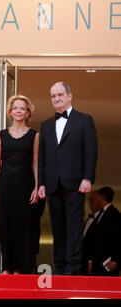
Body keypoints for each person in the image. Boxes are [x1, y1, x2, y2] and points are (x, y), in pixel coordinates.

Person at [38, 82, 98, 275]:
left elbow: (91, 151)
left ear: (70, 96)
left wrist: (87, 178)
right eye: (53, 96)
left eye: (60, 94)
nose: (56, 98)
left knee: (73, 226)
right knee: (57, 227)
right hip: (53, 183)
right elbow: (43, 157)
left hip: (75, 183)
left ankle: (73, 268)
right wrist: (41, 183)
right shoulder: (46, 124)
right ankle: (60, 267)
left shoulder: (84, 120)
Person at [0, 95, 40, 274]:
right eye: (15, 108)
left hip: (25, 184)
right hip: (5, 184)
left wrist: (36, 186)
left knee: (22, 225)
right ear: (10, 112)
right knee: (5, 224)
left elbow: (36, 162)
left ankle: (19, 268)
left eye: (22, 108)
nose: (18, 111)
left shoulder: (35, 135)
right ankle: (6, 267)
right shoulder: (1, 135)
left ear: (28, 113)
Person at [81, 187, 121, 276]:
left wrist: (115, 260)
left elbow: (118, 238)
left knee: (107, 285)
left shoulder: (114, 214)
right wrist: (91, 261)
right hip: (98, 264)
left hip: (108, 263)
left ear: (101, 198)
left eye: (97, 197)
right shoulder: (100, 215)